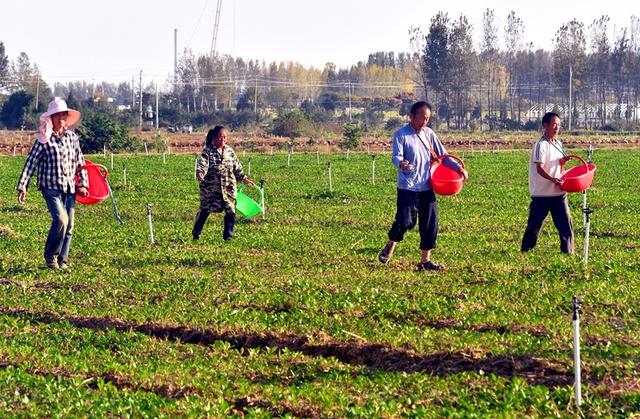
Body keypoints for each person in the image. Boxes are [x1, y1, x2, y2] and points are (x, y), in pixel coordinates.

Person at [378, 101, 468, 271]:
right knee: (405, 221)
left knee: (430, 223)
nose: (425, 122)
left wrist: (458, 168)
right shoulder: (401, 134)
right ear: (412, 116)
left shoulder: (429, 134)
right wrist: (401, 164)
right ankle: (391, 243)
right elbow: (396, 157)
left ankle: (425, 261)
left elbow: (443, 156)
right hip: (408, 187)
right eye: (422, 118)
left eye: (428, 119)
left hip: (427, 186)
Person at [16, 98, 89, 269]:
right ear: (51, 118)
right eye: (57, 115)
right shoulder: (44, 139)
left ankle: (62, 260)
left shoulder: (72, 138)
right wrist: (22, 186)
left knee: (69, 225)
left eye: (63, 114)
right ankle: (51, 257)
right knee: (61, 220)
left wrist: (83, 184)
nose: (61, 117)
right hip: (50, 187)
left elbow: (80, 162)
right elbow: (31, 163)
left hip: (69, 187)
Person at [521, 112, 574, 254]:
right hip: (542, 194)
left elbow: (557, 163)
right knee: (534, 226)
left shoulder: (558, 143)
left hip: (559, 193)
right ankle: (526, 252)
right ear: (545, 125)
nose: (557, 127)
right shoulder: (541, 144)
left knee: (566, 226)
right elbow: (540, 168)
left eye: (559, 125)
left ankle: (568, 253)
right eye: (554, 124)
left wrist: (562, 161)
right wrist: (552, 179)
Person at [192, 126, 254, 241]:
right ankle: (196, 233)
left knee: (231, 210)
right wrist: (200, 173)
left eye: (225, 137)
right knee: (205, 210)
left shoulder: (229, 151)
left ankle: (228, 237)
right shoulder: (208, 151)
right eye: (220, 137)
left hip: (228, 188)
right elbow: (203, 164)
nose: (223, 140)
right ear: (214, 138)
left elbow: (237, 168)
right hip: (210, 189)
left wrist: (244, 179)